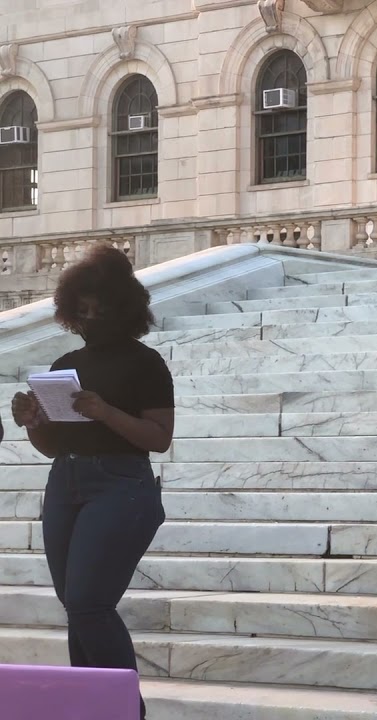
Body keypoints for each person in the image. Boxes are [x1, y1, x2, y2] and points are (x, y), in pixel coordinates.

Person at [9, 245, 172, 720]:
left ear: (124, 309)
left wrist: (104, 411)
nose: (89, 318)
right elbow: (52, 447)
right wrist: (33, 421)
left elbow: (159, 439)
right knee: (76, 606)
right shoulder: (64, 364)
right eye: (81, 311)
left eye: (99, 310)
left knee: (88, 604)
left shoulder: (146, 364)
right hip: (66, 481)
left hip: (123, 484)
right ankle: (92, 707)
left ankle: (125, 711)